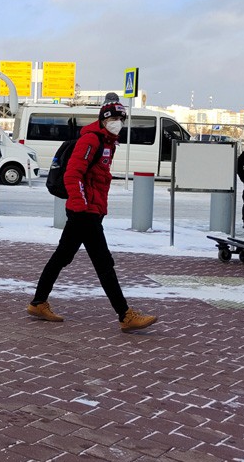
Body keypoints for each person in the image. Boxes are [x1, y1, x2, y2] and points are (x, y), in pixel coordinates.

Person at [27, 101, 158, 331]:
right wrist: (81, 205)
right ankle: (125, 315)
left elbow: (97, 179)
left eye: (121, 120)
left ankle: (38, 302)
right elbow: (72, 174)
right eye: (112, 119)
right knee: (103, 262)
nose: (117, 123)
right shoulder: (91, 140)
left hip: (91, 210)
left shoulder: (108, 143)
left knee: (62, 257)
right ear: (103, 120)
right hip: (84, 212)